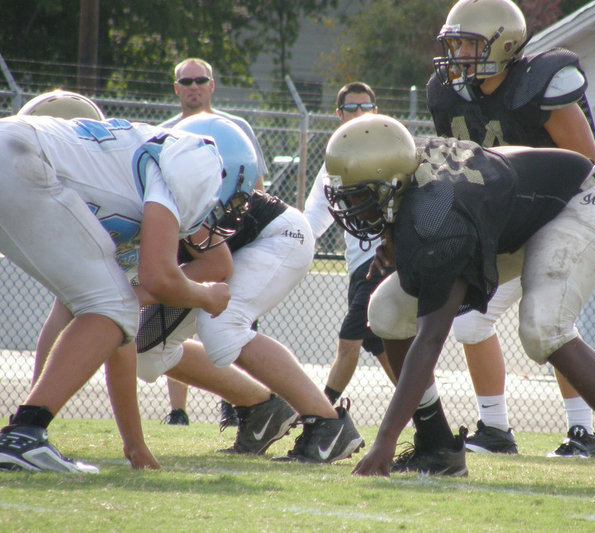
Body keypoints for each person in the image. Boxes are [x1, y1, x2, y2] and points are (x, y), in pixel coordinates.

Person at [325, 113, 595, 491]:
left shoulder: (438, 216)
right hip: (509, 217)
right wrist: (391, 231)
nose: (350, 206)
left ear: (391, 181)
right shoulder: (408, 168)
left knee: (543, 328)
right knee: (385, 311)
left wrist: (385, 440)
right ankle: (437, 448)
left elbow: (432, 337)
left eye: (357, 195)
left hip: (576, 200)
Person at [0, 109, 233, 473]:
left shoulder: (126, 191)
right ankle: (25, 433)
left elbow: (118, 329)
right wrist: (207, 296)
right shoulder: (198, 155)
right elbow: (157, 279)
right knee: (110, 305)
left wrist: (135, 444)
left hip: (15, 155)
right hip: (20, 160)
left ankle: (25, 433)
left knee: (110, 307)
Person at [134, 112, 365, 463]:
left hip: (278, 235)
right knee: (146, 353)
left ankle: (327, 424)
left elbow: (217, 265)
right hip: (234, 249)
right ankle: (261, 409)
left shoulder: (166, 189)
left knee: (223, 324)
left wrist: (139, 293)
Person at [426, 0, 595, 457]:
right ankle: (496, 430)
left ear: (503, 44)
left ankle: (583, 433)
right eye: (456, 42)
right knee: (470, 321)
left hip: (563, 214)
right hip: (507, 224)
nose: (460, 53)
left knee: (550, 324)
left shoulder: (538, 84)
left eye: (469, 43)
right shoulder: (447, 94)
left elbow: (589, 167)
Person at [159, 57, 269, 429]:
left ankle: (236, 404)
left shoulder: (235, 128)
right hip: (185, 244)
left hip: (230, 242)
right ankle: (178, 411)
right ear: (176, 88)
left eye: (200, 79)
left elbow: (256, 190)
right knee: (172, 320)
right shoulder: (161, 131)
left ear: (212, 85)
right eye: (185, 81)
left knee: (234, 324)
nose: (193, 86)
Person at [304, 81, 397, 406]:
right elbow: (314, 219)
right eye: (351, 108)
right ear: (339, 114)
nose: (359, 114)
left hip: (384, 264)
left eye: (365, 107)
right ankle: (422, 412)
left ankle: (320, 414)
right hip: (359, 268)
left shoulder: (393, 151)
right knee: (380, 346)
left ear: (376, 111)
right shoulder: (335, 161)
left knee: (349, 341)